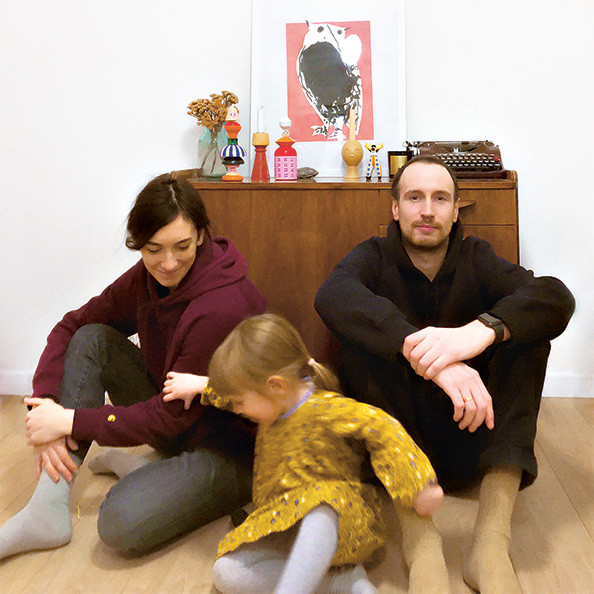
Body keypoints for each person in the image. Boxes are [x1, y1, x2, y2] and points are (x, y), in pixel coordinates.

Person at [314, 155, 575, 593]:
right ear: (395, 208)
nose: (427, 211)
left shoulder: (477, 258)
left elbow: (555, 297)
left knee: (528, 339)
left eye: (440, 199)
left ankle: (491, 545)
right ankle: (421, 544)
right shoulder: (373, 256)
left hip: (472, 435)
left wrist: (479, 333)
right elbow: (333, 296)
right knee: (362, 347)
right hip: (399, 448)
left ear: (456, 211)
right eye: (414, 198)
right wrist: (434, 358)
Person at [0, 173, 267, 561]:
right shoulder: (147, 278)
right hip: (181, 424)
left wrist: (68, 421)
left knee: (120, 523)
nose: (168, 263)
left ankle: (149, 472)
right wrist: (45, 407)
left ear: (201, 236)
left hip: (230, 452)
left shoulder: (220, 306)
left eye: (182, 246)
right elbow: (71, 326)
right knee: (92, 339)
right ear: (138, 243)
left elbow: (169, 418)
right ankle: (47, 507)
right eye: (153, 249)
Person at [164, 313, 444, 594]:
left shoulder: (327, 410)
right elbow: (235, 394)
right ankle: (339, 583)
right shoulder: (272, 401)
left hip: (339, 522)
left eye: (239, 403)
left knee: (319, 505)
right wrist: (201, 386)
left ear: (276, 385)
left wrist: (417, 484)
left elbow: (383, 428)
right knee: (225, 572)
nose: (236, 409)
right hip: (287, 526)